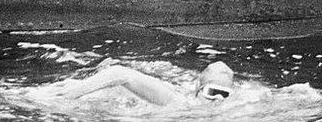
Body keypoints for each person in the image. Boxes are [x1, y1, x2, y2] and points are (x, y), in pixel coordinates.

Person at [64, 60, 234, 107]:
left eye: (224, 94)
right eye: (212, 93)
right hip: (94, 92)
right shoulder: (174, 101)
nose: (218, 99)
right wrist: (69, 95)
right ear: (199, 91)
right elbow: (120, 73)